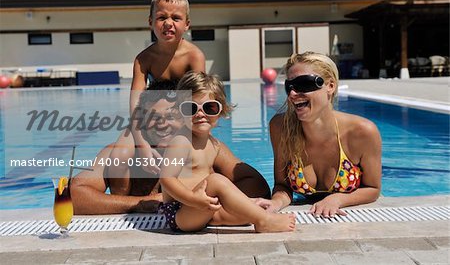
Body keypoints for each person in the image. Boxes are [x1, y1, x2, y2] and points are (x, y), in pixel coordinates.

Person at [71, 80, 271, 215]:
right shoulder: (120, 152)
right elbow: (73, 195)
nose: (162, 124)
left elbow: (258, 185)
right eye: (154, 117)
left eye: (171, 117)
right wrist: (141, 203)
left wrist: (211, 202)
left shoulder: (205, 148)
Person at [159, 71, 296, 232]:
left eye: (209, 107)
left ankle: (256, 214)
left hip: (203, 208)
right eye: (191, 108)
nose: (200, 114)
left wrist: (243, 201)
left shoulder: (213, 144)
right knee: (216, 180)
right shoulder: (180, 141)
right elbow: (166, 178)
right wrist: (192, 199)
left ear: (221, 110)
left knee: (246, 212)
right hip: (181, 211)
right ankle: (264, 221)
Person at [256, 52, 382, 218]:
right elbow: (282, 185)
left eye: (303, 83)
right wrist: (276, 202)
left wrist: (337, 199)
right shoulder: (281, 127)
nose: (293, 94)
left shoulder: (362, 132)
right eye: (290, 86)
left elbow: (373, 189)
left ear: (330, 86)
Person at [108, 0, 205, 193]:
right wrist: (142, 145)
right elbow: (135, 104)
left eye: (176, 18)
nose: (168, 23)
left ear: (187, 24)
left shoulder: (194, 56)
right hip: (150, 120)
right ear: (150, 22)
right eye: (161, 17)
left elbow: (200, 101)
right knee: (118, 156)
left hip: (183, 119)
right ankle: (123, 205)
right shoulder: (144, 59)